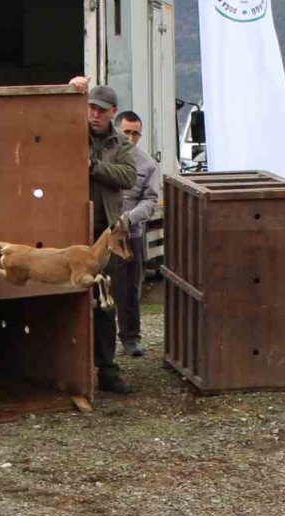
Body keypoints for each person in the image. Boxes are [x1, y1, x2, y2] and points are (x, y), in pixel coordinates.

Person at [69, 77, 138, 393]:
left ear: (113, 112)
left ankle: (107, 371)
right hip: (71, 234)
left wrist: (93, 166)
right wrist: (72, 90)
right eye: (91, 108)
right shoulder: (72, 129)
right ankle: (69, 369)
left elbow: (127, 176)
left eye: (101, 110)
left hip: (103, 237)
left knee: (105, 304)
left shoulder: (120, 144)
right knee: (69, 300)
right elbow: (53, 116)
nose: (94, 114)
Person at [111, 110, 160, 358]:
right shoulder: (104, 156)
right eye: (126, 132)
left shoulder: (148, 164)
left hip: (131, 233)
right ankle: (101, 341)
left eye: (135, 133)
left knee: (130, 288)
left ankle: (131, 337)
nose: (130, 138)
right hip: (102, 234)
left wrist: (130, 218)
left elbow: (150, 199)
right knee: (101, 286)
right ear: (117, 130)